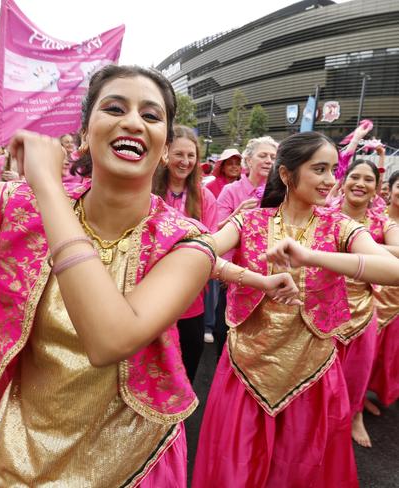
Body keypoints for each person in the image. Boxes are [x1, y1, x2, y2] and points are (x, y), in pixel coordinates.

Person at [0, 65, 298, 487]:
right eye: (114, 108)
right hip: (19, 451)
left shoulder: (186, 242)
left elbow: (109, 339)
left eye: (151, 116)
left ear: (162, 148)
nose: (133, 121)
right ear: (84, 133)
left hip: (131, 461)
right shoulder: (21, 204)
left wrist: (47, 189)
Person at [192, 131, 399, 488]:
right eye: (319, 169)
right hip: (247, 368)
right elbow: (198, 253)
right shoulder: (251, 221)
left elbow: (394, 270)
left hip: (313, 373)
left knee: (302, 469)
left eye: (333, 169)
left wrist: (313, 256)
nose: (331, 180)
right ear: (287, 175)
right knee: (236, 467)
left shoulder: (340, 227)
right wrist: (257, 281)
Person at [333, 160, 399, 448]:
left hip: (362, 309)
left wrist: (359, 242)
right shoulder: (325, 213)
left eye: (368, 180)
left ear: (376, 189)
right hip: (322, 307)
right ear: (344, 182)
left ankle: (356, 415)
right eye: (355, 177)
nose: (360, 183)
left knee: (358, 372)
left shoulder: (384, 222)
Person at [152, 125, 217, 382]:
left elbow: (210, 245)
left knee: (186, 372)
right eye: (179, 154)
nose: (186, 161)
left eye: (191, 156)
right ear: (165, 153)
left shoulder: (204, 197)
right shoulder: (147, 190)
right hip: (150, 298)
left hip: (191, 302)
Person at [212, 136, 278, 356]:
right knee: (226, 331)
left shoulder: (280, 194)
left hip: (268, 275)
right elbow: (215, 232)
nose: (269, 160)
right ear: (248, 161)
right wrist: (237, 213)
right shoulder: (231, 191)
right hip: (234, 275)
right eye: (263, 155)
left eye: (273, 157)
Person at [367, 170, 399, 414]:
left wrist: (371, 246)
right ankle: (357, 401)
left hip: (396, 297)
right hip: (374, 295)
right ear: (389, 188)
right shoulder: (376, 217)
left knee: (390, 353)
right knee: (369, 352)